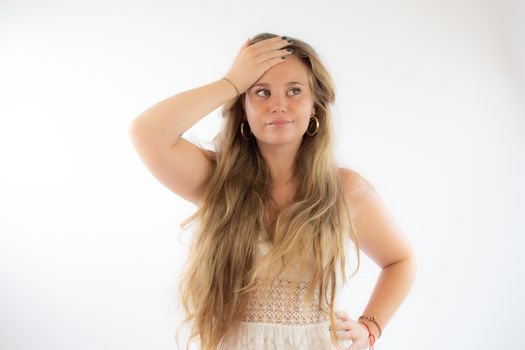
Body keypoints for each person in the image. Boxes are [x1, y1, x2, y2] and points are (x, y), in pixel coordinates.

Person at [128, 32, 417, 350]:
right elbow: (147, 132)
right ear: (243, 109)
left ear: (314, 107)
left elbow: (400, 261)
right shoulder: (218, 181)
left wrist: (370, 327)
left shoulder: (344, 190)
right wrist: (232, 82)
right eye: (261, 92)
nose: (279, 105)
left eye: (294, 91)